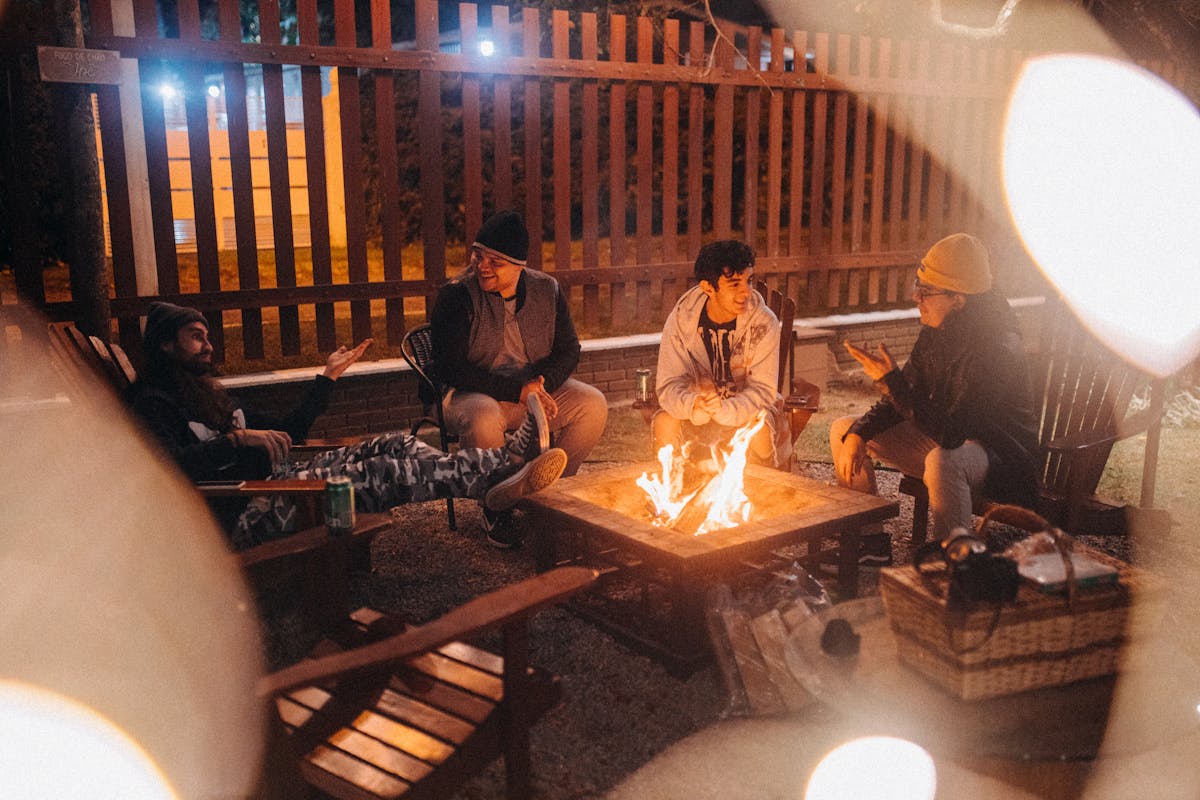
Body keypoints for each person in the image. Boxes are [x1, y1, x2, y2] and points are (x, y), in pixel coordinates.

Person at [127, 301, 566, 551]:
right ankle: (502, 468)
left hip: (279, 481)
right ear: (165, 345)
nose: (208, 345)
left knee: (395, 445)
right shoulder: (154, 403)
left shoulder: (204, 394)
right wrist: (236, 439)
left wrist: (328, 376)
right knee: (382, 472)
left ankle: (498, 469)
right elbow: (167, 470)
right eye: (196, 337)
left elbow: (289, 432)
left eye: (206, 335)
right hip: (246, 510)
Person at [829, 233, 1039, 567]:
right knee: (845, 430)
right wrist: (861, 431)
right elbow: (907, 397)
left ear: (959, 299)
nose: (916, 296)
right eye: (918, 285)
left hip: (1001, 461)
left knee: (944, 461)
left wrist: (892, 383)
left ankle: (957, 563)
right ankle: (870, 542)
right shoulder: (937, 331)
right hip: (951, 445)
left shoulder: (996, 346)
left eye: (927, 291)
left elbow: (952, 433)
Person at [430, 210, 608, 538]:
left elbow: (569, 349)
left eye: (495, 262)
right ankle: (495, 508)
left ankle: (551, 493)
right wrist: (519, 392)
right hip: (470, 392)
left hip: (530, 389)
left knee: (592, 404)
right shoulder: (456, 295)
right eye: (478, 255)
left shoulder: (547, 289)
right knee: (483, 416)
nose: (482, 266)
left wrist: (542, 384)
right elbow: (450, 368)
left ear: (518, 266)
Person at [653, 240, 790, 467]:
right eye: (734, 284)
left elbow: (763, 391)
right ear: (708, 287)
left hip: (749, 409)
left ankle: (761, 488)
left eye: (749, 281)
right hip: (699, 410)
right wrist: (693, 404)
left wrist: (724, 410)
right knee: (665, 422)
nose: (746, 292)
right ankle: (675, 486)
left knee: (759, 430)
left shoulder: (764, 323)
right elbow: (669, 384)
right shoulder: (681, 320)